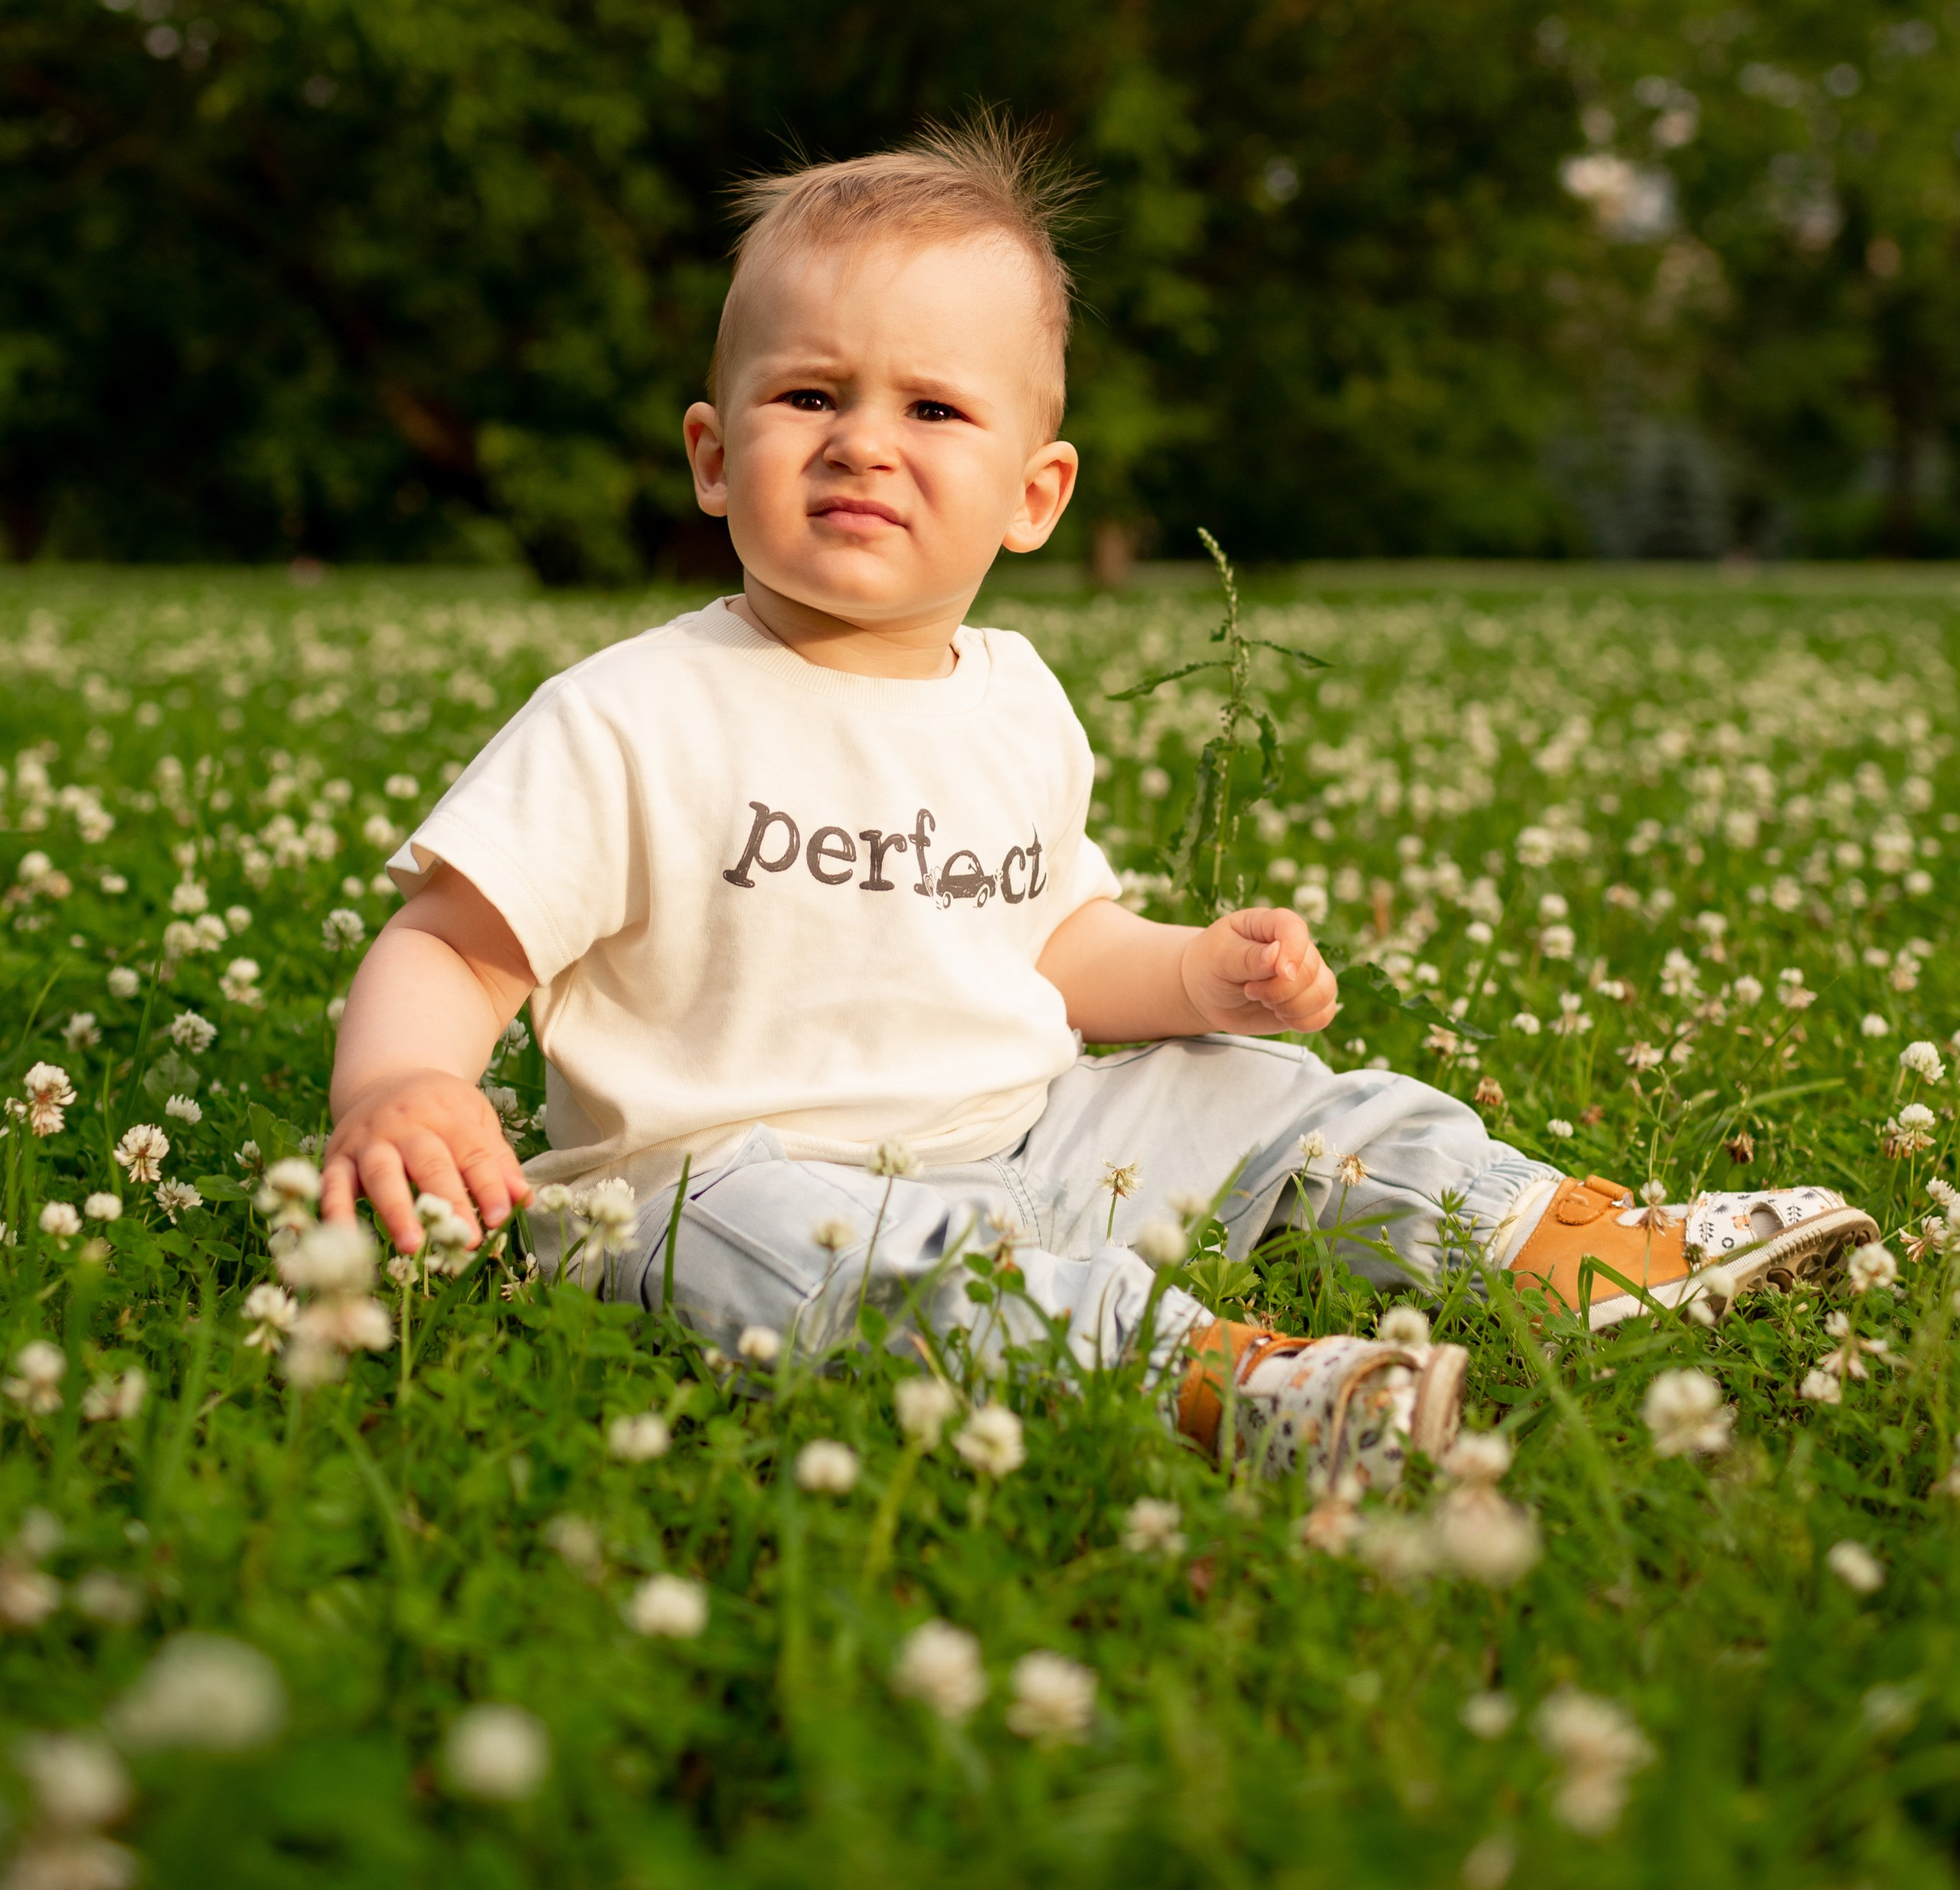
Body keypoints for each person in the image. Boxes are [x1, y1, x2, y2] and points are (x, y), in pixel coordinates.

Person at [320, 123, 1877, 1485]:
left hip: (1030, 1131)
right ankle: (1208, 1379)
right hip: (717, 1181)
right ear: (715, 457)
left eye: (931, 410)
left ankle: (1568, 1245)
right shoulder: (631, 711)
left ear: (1034, 494)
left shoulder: (1014, 702)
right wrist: (400, 1084)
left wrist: (1194, 974)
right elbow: (455, 946)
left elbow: (1052, 933)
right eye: (807, 395)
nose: (863, 438)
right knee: (831, 1260)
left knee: (1275, 1094)